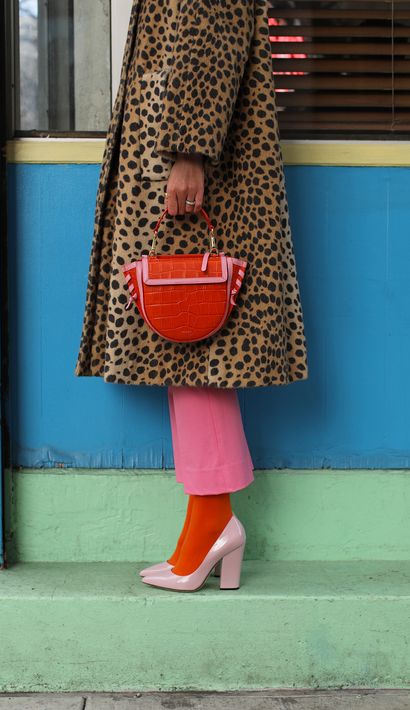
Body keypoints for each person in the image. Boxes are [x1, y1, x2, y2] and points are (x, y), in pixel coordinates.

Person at [74, 0, 308, 592]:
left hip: (187, 175)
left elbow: (207, 37)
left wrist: (188, 152)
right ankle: (207, 521)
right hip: (181, 164)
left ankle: (211, 523)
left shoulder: (189, 158)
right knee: (192, 349)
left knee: (197, 347)